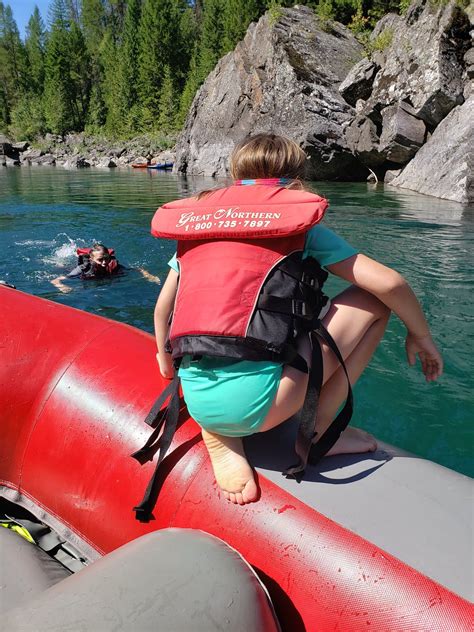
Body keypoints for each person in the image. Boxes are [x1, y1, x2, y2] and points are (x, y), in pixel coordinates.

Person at [152, 133, 443, 507]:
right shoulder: (300, 227)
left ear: (233, 174)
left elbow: (163, 311)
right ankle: (319, 431)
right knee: (374, 302)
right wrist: (421, 335)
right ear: (297, 180)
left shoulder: (198, 229)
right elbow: (389, 283)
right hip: (262, 405)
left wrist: (163, 360)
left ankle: (219, 433)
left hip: (195, 393)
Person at [51, 243, 160, 293]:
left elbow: (138, 269)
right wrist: (62, 286)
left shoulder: (113, 266)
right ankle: (59, 261)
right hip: (71, 269)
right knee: (61, 266)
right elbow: (56, 280)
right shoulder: (83, 268)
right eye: (100, 260)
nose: (104, 263)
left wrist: (148, 275)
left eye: (106, 259)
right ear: (92, 259)